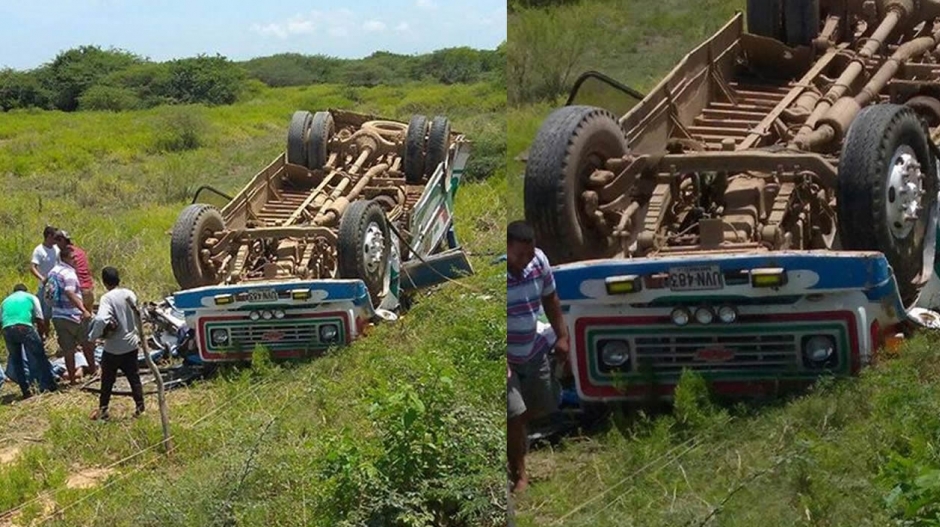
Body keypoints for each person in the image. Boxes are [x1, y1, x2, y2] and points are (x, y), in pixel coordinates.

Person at [506, 220, 570, 494]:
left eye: (528, 255)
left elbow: (551, 300)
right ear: (506, 248)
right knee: (515, 414)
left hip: (532, 350)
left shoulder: (539, 262)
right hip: (506, 359)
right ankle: (519, 473)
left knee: (546, 403)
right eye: (519, 255)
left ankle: (515, 439)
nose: (525, 260)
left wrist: (562, 336)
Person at [88, 267, 144, 420]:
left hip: (114, 347)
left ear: (104, 282)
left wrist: (93, 336)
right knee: (134, 377)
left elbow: (100, 319)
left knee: (107, 380)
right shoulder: (129, 293)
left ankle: (103, 409)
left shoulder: (107, 298)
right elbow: (138, 314)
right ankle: (140, 406)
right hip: (131, 344)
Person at [45, 245, 95, 384]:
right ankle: (94, 372)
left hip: (57, 315)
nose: (75, 260)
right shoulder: (69, 273)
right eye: (72, 258)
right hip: (73, 315)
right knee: (87, 344)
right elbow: (69, 292)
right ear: (65, 258)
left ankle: (72, 379)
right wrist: (83, 310)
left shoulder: (53, 271)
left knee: (68, 350)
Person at [1, 284, 57, 398]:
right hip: (24, 327)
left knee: (17, 361)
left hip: (7, 329)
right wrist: (42, 336)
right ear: (25, 290)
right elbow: (40, 318)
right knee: (39, 356)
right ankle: (48, 385)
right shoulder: (31, 297)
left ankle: (25, 391)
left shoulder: (5, 301)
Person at [54, 230, 97, 375]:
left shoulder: (58, 270)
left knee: (74, 346)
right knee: (87, 338)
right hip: (86, 292)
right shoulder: (80, 252)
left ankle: (77, 373)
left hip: (71, 304)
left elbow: (66, 290)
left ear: (61, 241)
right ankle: (92, 369)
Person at [30, 226, 60, 339]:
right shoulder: (39, 250)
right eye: (55, 237)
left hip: (58, 285)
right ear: (49, 236)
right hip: (46, 287)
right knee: (45, 314)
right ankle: (45, 336)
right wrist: (42, 278)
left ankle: (55, 336)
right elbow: (32, 267)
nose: (56, 239)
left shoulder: (57, 248)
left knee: (57, 312)